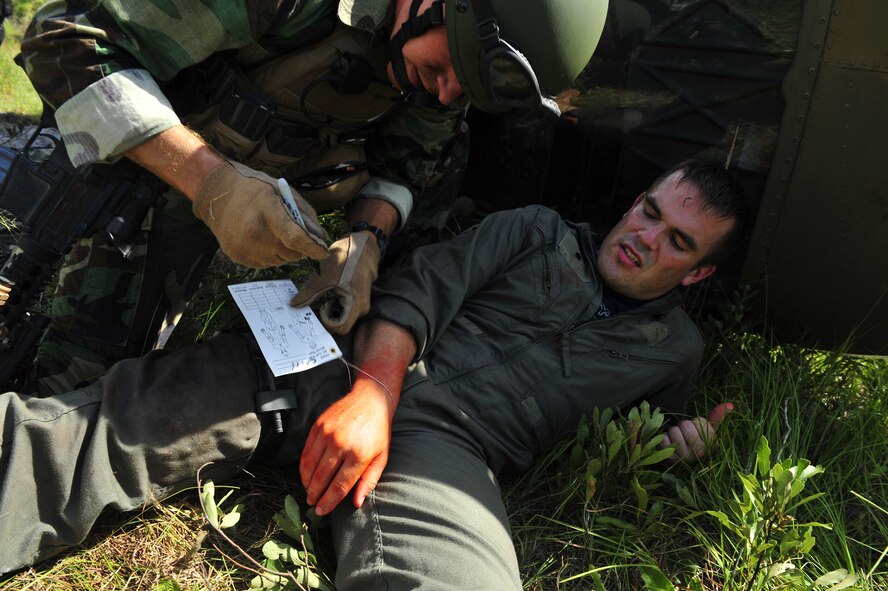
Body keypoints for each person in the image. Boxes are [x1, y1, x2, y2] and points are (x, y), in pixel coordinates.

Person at [0, 159, 748, 587]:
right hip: (339, 360)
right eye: (648, 211)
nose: (644, 236)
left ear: (696, 274)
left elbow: (627, 438)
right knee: (116, 425)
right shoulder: (537, 231)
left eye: (676, 239)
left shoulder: (673, 350)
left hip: (452, 455)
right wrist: (373, 395)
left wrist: (676, 446)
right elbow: (422, 291)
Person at [15, 0, 606, 394]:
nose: (448, 91)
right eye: (453, 64)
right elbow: (63, 36)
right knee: (82, 378)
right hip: (159, 165)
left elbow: (415, 152)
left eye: (471, 88)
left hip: (272, 165)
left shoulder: (440, 61)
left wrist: (367, 242)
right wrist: (209, 183)